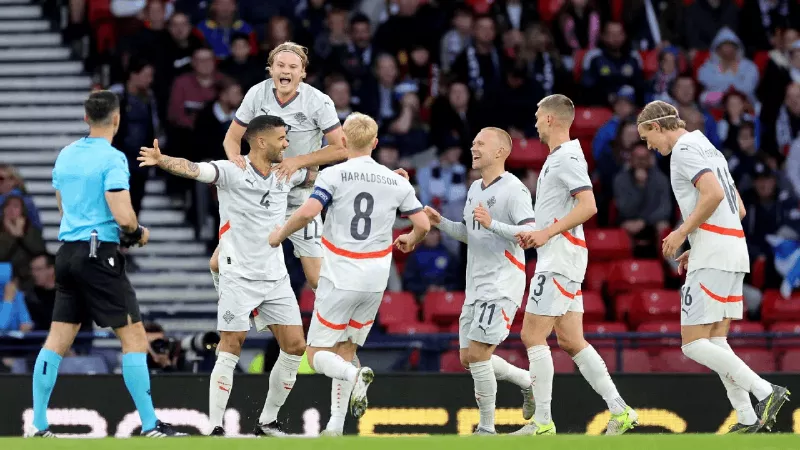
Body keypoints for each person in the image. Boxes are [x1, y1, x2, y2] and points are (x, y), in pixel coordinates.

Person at [138, 114, 312, 437]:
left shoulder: (285, 173)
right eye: (282, 138)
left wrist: (314, 155)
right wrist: (162, 161)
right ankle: (216, 427)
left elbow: (315, 173)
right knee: (231, 344)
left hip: (274, 275)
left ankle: (268, 422)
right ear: (261, 141)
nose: (287, 144)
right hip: (239, 275)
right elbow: (194, 168)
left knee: (295, 346)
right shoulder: (233, 171)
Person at [27, 91, 182, 438]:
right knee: (134, 337)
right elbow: (122, 213)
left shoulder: (66, 155)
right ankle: (150, 425)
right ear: (116, 119)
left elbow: (62, 203)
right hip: (99, 253)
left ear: (86, 118)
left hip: (67, 252)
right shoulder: (113, 158)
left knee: (56, 340)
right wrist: (137, 232)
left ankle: (37, 425)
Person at [267, 113, 430, 435]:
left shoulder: (334, 175)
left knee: (316, 356)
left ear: (343, 141)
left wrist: (279, 234)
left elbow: (309, 211)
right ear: (375, 143)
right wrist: (411, 239)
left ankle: (355, 377)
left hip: (340, 273)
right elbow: (422, 224)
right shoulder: (397, 180)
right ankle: (336, 427)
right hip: (375, 279)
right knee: (347, 350)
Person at [637, 100, 791, 433]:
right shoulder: (708, 146)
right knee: (716, 341)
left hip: (716, 254)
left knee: (692, 343)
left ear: (657, 126)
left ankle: (766, 391)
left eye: (647, 137)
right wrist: (701, 243)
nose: (649, 146)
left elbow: (713, 195)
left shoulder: (683, 150)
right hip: (732, 248)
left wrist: (682, 232)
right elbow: (738, 208)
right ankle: (747, 418)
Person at [513, 95, 637, 436]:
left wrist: (545, 233)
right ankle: (620, 410)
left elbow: (589, 205)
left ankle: (541, 423)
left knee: (531, 334)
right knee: (569, 339)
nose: (535, 123)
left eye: (539, 116)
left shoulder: (566, 157)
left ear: (552, 119)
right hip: (564, 253)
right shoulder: (560, 157)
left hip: (559, 256)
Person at [423, 127, 537, 435]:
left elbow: (531, 232)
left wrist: (493, 222)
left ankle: (487, 428)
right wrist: (441, 223)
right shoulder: (474, 188)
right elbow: (470, 234)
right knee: (467, 358)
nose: (473, 148)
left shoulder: (514, 189)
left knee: (478, 354)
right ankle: (528, 382)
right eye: (472, 142)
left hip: (502, 282)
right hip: (475, 284)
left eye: (480, 143)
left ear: (500, 151)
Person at [211, 41, 346, 294]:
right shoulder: (256, 94)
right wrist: (236, 163)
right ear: (270, 69)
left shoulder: (319, 101)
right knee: (219, 263)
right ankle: (240, 311)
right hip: (263, 198)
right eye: (280, 65)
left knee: (317, 279)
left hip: (301, 199)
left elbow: (341, 148)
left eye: (293, 66)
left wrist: (297, 161)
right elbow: (231, 139)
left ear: (303, 72)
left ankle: (344, 324)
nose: (286, 70)